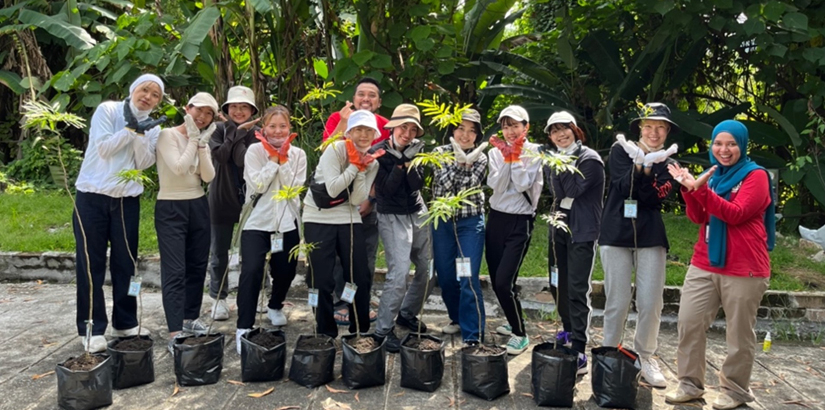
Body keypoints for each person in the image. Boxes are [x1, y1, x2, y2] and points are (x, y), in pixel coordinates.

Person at [665, 120, 775, 410]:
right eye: (718, 143)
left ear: (742, 145)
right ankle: (689, 384)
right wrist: (690, 190)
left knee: (739, 334)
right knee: (689, 322)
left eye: (731, 144)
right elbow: (699, 217)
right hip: (705, 262)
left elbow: (736, 214)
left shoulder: (756, 176)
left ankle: (735, 391)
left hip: (745, 267)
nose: (724, 150)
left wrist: (700, 190)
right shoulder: (712, 176)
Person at [73, 74, 165, 352]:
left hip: (127, 201)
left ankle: (125, 321)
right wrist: (131, 130)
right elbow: (102, 148)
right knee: (91, 265)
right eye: (144, 89)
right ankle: (91, 328)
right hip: (92, 196)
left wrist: (140, 133)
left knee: (127, 264)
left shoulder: (154, 128)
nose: (147, 97)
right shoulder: (108, 110)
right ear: (133, 88)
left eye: (155, 95)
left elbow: (145, 162)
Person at [598, 102, 679, 387]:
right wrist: (640, 165)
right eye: (648, 126)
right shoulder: (622, 150)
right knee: (617, 300)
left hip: (650, 236)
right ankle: (609, 354)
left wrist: (647, 169)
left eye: (660, 127)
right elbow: (622, 187)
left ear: (667, 131)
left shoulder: (670, 164)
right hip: (614, 233)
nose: (653, 132)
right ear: (640, 128)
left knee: (650, 301)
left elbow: (654, 198)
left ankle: (645, 356)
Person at [303, 110, 382, 338]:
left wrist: (360, 169)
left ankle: (359, 329)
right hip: (318, 217)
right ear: (349, 132)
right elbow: (333, 188)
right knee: (321, 278)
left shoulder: (372, 163)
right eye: (358, 130)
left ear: (375, 134)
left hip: (348, 217)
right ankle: (325, 331)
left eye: (369, 130)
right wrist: (355, 167)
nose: (363, 135)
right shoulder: (335, 150)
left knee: (359, 275)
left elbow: (358, 200)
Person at [234, 106, 307, 353]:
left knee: (285, 270)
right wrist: (272, 159)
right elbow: (257, 185)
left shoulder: (298, 154)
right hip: (257, 221)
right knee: (252, 270)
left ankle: (275, 305)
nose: (278, 131)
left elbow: (292, 187)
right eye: (272, 126)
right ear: (263, 128)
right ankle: (244, 326)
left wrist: (283, 158)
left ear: (290, 128)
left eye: (283, 126)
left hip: (287, 222)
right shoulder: (254, 151)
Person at [322, 77, 388, 326]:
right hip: (336, 197)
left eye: (372, 95)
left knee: (366, 252)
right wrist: (343, 121)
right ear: (353, 97)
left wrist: (370, 198)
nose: (366, 99)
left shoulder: (384, 125)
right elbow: (326, 149)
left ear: (379, 102)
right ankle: (341, 301)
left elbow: (382, 163)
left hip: (368, 198)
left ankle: (362, 297)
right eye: (361, 94)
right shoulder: (337, 119)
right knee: (340, 253)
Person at [155, 93, 218, 352]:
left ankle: (190, 318)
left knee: (196, 265)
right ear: (187, 109)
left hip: (198, 204)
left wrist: (202, 145)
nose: (202, 117)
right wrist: (193, 140)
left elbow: (208, 176)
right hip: (171, 205)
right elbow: (178, 168)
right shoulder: (167, 135)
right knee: (175, 270)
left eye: (209, 114)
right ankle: (174, 331)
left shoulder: (203, 140)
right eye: (198, 111)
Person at [543, 111, 604, 373]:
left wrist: (558, 166)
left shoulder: (589, 159)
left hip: (582, 230)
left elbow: (573, 191)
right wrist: (557, 167)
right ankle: (567, 330)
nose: (560, 134)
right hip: (559, 228)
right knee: (557, 283)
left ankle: (579, 347)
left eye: (564, 129)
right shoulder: (553, 160)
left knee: (578, 289)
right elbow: (555, 193)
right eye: (554, 131)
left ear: (575, 130)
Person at [371, 104, 431, 352]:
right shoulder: (378, 152)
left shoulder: (420, 150)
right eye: (403, 127)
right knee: (399, 274)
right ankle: (383, 330)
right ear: (392, 127)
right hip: (391, 215)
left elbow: (417, 184)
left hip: (418, 211)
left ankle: (408, 313)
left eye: (413, 129)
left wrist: (410, 163)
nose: (407, 133)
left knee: (429, 269)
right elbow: (385, 189)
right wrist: (399, 164)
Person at [485, 105, 543, 355]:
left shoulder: (535, 152)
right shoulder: (494, 152)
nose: (510, 131)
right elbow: (496, 186)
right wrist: (505, 155)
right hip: (496, 218)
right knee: (497, 276)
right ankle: (511, 320)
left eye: (515, 125)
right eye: (506, 126)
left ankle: (520, 334)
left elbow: (522, 184)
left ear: (526, 127)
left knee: (503, 282)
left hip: (520, 221)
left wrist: (513, 157)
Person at [431, 108, 488, 346]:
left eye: (471, 131)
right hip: (442, 222)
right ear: (452, 130)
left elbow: (468, 188)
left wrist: (463, 164)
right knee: (445, 276)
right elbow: (444, 185)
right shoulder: (438, 153)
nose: (465, 135)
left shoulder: (482, 156)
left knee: (467, 275)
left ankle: (473, 333)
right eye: (461, 129)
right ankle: (456, 319)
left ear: (477, 135)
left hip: (469, 222)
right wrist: (462, 162)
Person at [206, 86, 260, 320]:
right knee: (219, 251)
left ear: (252, 110)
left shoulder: (258, 133)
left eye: (244, 107)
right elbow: (219, 155)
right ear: (227, 109)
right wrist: (234, 130)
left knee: (254, 251)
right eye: (234, 107)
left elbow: (241, 160)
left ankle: (256, 294)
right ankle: (218, 297)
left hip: (250, 200)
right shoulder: (216, 129)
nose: (239, 111)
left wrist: (239, 132)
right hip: (221, 196)